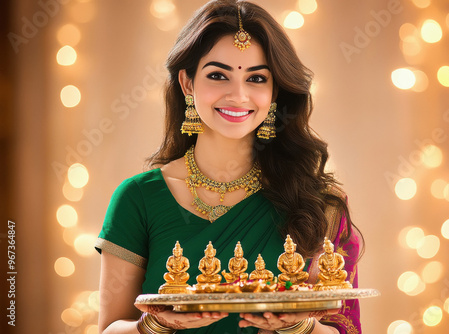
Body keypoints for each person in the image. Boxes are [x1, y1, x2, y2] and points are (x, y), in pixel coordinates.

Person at [95, 1, 363, 333]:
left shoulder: (316, 202)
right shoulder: (139, 198)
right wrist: (155, 325)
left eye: (257, 78)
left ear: (275, 90)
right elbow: (108, 329)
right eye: (218, 75)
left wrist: (299, 326)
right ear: (187, 83)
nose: (238, 95)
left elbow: (344, 328)